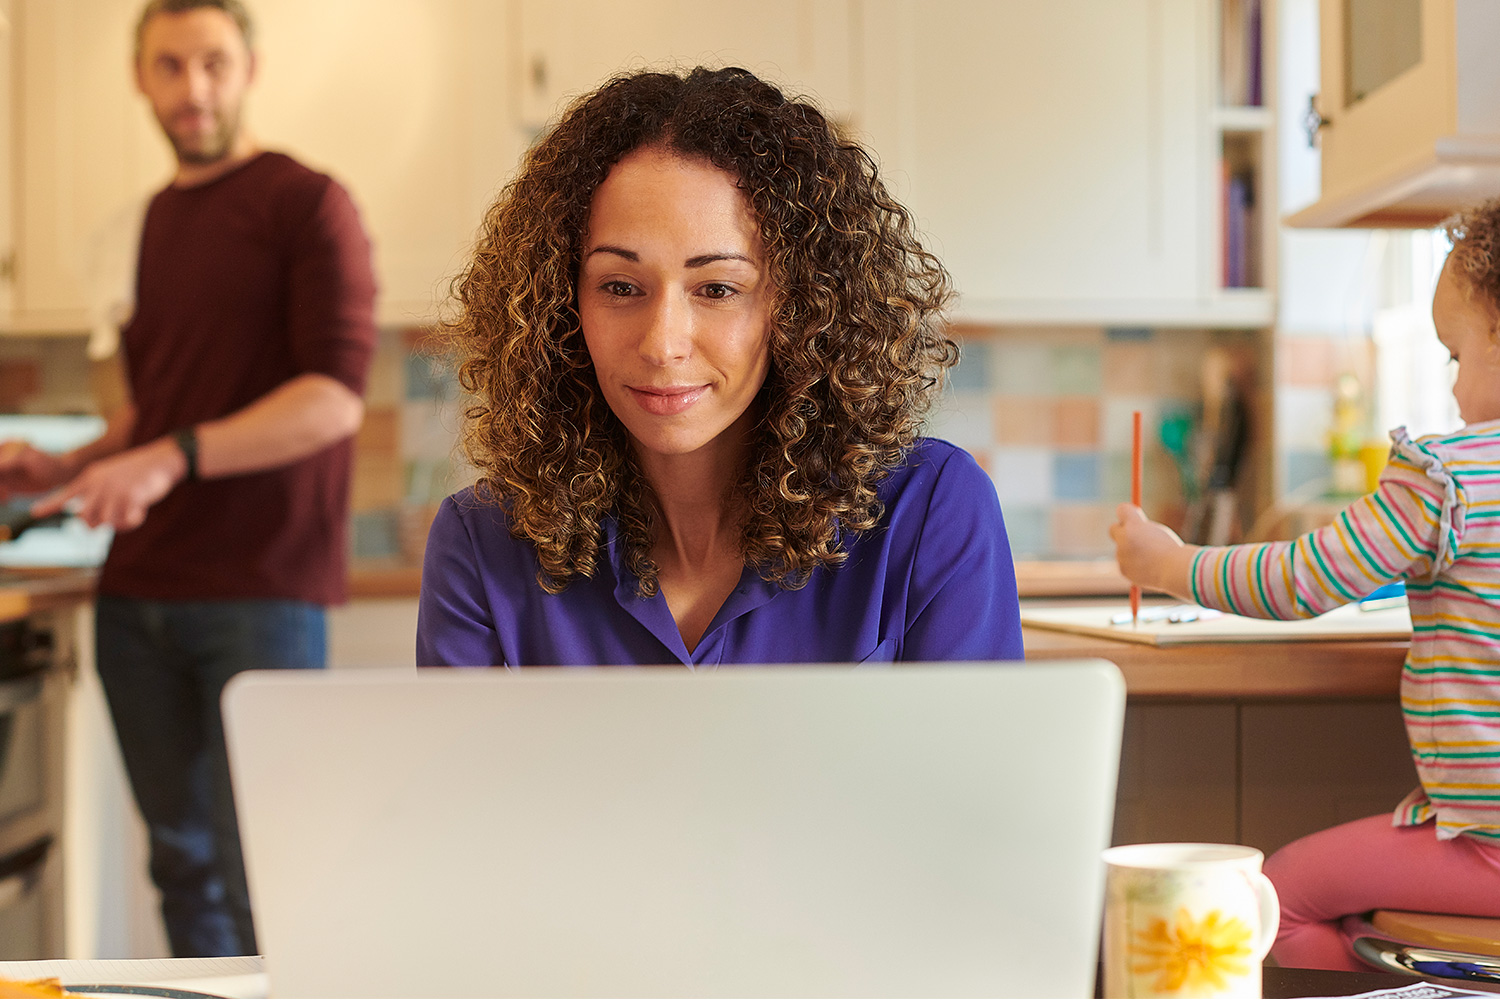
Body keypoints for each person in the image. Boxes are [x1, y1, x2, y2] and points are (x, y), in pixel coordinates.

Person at [417, 66, 1021, 667]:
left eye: (718, 289)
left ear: (801, 305)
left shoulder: (930, 509)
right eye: (621, 287)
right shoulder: (481, 544)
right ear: (561, 304)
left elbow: (979, 763)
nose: (662, 344)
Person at [0, 0, 377, 957]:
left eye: (211, 63)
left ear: (248, 67)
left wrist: (170, 458)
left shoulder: (307, 201)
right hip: (139, 599)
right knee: (181, 867)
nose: (192, 88)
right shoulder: (145, 226)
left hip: (261, 591)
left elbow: (332, 399)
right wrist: (73, 459)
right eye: (169, 66)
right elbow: (156, 408)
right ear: (140, 78)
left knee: (272, 873)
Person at [1110, 197, 1500, 971]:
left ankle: (1422, 975)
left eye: (1455, 355)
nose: (1452, 389)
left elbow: (1305, 578)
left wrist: (1169, 564)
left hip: (1487, 847)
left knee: (1269, 904)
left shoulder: (1450, 475)